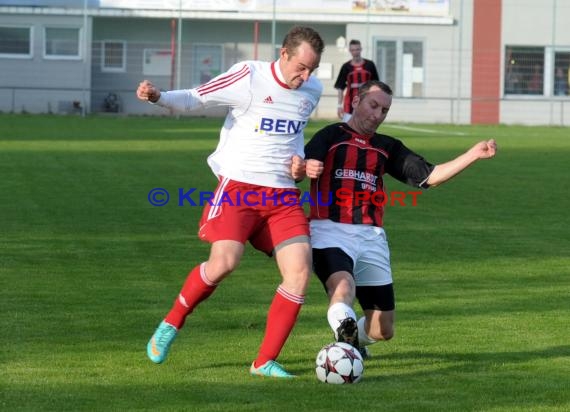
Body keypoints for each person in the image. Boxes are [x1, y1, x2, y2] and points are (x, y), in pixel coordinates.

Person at [136, 26, 325, 378]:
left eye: (312, 69)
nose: (306, 76)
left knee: (299, 273)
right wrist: (158, 96)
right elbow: (195, 97)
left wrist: (298, 165)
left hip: (283, 196)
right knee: (224, 263)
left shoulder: (312, 90)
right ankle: (172, 322)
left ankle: (263, 362)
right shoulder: (248, 76)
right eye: (301, 67)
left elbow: (295, 137)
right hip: (240, 189)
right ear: (283, 54)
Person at [300, 80, 497, 358]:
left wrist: (473, 155)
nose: (377, 114)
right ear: (356, 101)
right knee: (342, 286)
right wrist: (305, 166)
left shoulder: (387, 146)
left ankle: (351, 341)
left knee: (383, 330)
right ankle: (342, 351)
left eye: (384, 110)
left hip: (371, 237)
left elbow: (430, 177)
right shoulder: (330, 136)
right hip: (329, 231)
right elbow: (297, 169)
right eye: (373, 105)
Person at [334, 39, 379, 122]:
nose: (355, 52)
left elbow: (376, 86)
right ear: (350, 51)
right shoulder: (346, 67)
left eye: (357, 49)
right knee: (347, 131)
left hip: (367, 104)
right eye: (353, 50)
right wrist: (339, 106)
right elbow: (340, 87)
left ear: (361, 49)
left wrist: (376, 103)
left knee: (365, 131)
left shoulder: (370, 65)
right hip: (349, 106)